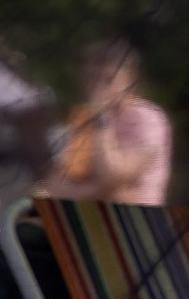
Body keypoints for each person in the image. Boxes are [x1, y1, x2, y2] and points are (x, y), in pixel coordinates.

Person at [47, 37, 174, 207]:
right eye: (92, 78)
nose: (97, 88)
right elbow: (58, 181)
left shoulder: (148, 119)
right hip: (86, 212)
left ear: (130, 81)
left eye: (108, 80)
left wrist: (101, 120)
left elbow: (112, 175)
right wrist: (85, 192)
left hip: (134, 219)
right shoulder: (84, 117)